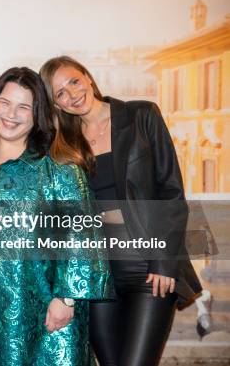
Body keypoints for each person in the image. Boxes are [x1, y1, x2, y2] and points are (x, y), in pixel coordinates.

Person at [40, 56, 203, 366]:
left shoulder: (141, 115)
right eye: (60, 93)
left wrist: (164, 260)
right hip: (100, 274)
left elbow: (171, 191)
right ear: (56, 105)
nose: (72, 94)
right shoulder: (64, 144)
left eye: (73, 81)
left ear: (88, 77)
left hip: (147, 265)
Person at [0, 67, 113, 366]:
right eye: (4, 103)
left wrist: (67, 298)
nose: (12, 114)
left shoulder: (57, 164)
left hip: (45, 307)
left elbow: (82, 232)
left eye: (24, 107)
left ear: (36, 114)